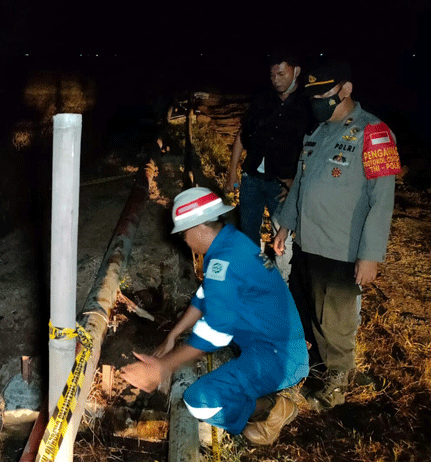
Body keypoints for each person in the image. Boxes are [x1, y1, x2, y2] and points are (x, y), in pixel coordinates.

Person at [121, 187, 309, 445]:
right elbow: (203, 296)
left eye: (184, 233)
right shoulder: (229, 243)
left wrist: (162, 368)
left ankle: (271, 408)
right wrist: (173, 336)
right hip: (272, 343)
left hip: (278, 356)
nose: (185, 241)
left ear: (199, 226)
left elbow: (217, 332)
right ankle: (257, 403)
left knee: (200, 402)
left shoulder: (226, 259)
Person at [273, 61, 400, 411]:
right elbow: (301, 186)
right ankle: (310, 370)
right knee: (304, 311)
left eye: (324, 94)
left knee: (335, 323)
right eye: (312, 95)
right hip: (307, 243)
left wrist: (371, 255)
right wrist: (286, 225)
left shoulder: (374, 132)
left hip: (342, 249)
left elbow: (382, 200)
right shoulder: (316, 133)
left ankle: (337, 385)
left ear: (345, 90)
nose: (317, 101)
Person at [225, 53, 313, 282]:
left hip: (281, 184)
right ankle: (252, 276)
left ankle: (283, 283)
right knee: (248, 232)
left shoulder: (308, 107)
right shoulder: (262, 100)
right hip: (252, 178)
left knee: (283, 237)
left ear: (297, 71)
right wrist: (232, 171)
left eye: (281, 74)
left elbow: (313, 150)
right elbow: (242, 136)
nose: (276, 80)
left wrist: (298, 182)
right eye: (272, 75)